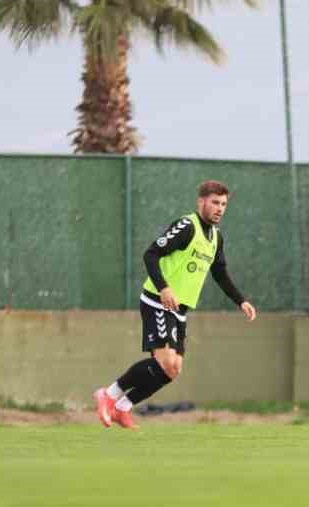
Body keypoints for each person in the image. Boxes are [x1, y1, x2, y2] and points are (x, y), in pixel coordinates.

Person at [92, 180, 257, 429]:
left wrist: (241, 300)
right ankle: (109, 394)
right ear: (201, 202)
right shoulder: (186, 226)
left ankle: (123, 408)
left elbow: (220, 273)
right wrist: (164, 288)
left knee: (173, 369)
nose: (220, 208)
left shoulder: (215, 238)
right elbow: (150, 254)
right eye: (215, 202)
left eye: (224, 204)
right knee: (166, 362)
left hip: (180, 309)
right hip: (158, 301)